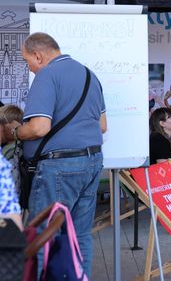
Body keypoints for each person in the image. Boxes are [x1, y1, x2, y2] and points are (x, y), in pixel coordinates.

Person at [1, 32, 105, 277]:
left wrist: (15, 132)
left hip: (59, 167)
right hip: (92, 162)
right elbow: (102, 125)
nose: (30, 68)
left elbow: (39, 127)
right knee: (78, 234)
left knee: (42, 235)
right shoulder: (90, 75)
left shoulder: (47, 76)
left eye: (28, 62)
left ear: (38, 55)